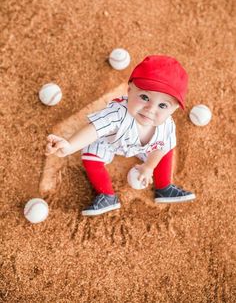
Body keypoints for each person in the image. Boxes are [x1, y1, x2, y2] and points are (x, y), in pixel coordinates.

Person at [45, 55, 196, 216]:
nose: (150, 109)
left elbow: (161, 148)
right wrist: (70, 146)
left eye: (163, 105)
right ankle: (107, 196)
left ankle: (164, 187)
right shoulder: (117, 113)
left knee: (167, 151)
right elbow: (94, 129)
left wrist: (148, 167)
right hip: (111, 141)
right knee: (90, 156)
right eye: (144, 97)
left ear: (172, 110)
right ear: (130, 90)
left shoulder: (166, 126)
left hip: (140, 147)